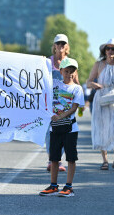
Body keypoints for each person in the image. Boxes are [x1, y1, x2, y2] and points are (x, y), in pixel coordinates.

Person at [40, 58, 84, 197]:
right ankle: (53, 186)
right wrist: (40, 63)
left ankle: (68, 187)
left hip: (70, 129)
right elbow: (41, 80)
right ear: (60, 71)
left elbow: (74, 108)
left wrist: (60, 116)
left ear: (75, 72)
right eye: (66, 71)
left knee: (71, 158)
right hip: (55, 128)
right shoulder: (54, 85)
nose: (69, 74)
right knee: (54, 158)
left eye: (72, 71)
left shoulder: (77, 88)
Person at [46, 34, 80, 172]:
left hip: (65, 103)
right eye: (58, 43)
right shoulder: (48, 62)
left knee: (64, 131)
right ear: (54, 45)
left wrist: (80, 98)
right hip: (50, 101)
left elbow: (75, 80)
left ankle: (58, 160)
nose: (60, 46)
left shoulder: (70, 62)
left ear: (67, 46)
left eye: (63, 43)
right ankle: (52, 159)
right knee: (50, 131)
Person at [87, 38, 114, 170]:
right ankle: (105, 160)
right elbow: (88, 82)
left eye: (112, 48)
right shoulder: (98, 65)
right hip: (101, 98)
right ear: (104, 50)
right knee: (102, 129)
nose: (110, 51)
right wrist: (94, 84)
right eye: (107, 48)